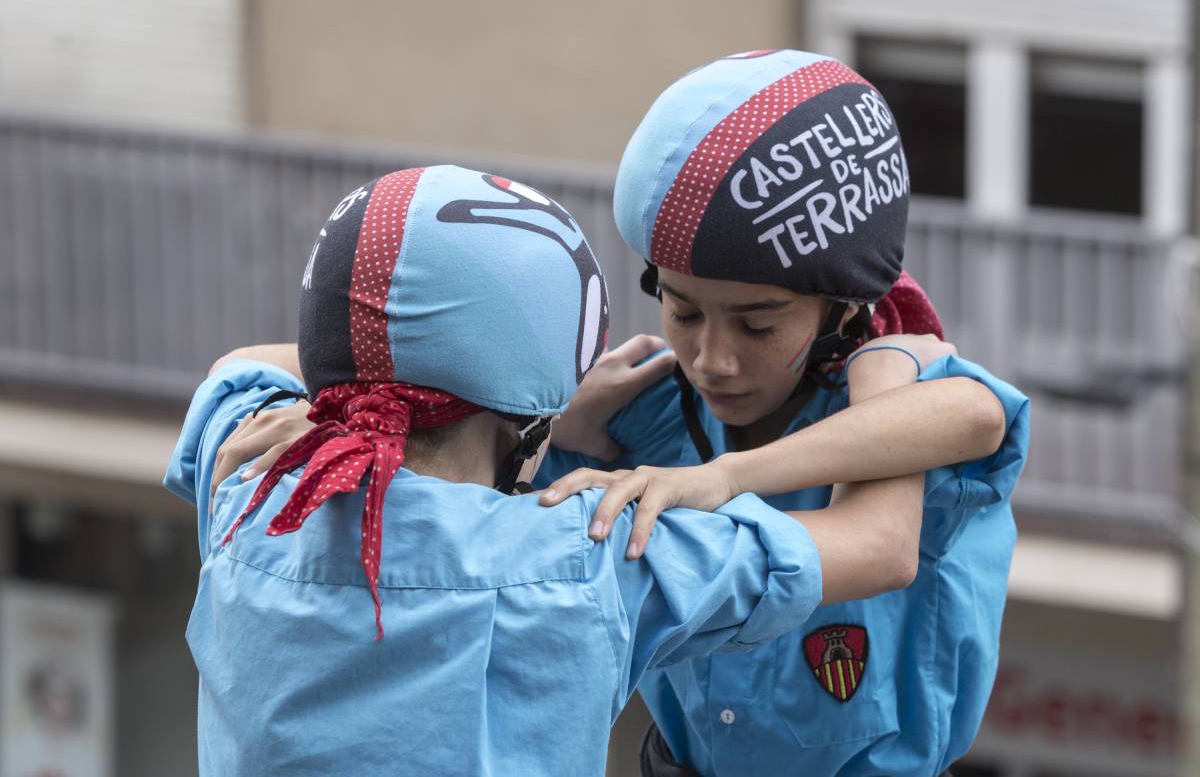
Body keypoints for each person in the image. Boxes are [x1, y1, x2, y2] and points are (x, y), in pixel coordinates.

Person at [165, 164, 943, 776]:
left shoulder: (251, 485)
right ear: (529, 411)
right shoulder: (590, 555)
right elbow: (880, 543)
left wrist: (358, 399)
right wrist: (890, 359)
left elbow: (236, 367)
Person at [529, 50, 1032, 776]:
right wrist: (553, 419)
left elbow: (978, 417)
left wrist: (729, 477)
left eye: (758, 325)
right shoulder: (648, 412)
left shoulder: (892, 386)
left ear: (842, 306)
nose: (712, 359)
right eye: (683, 310)